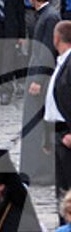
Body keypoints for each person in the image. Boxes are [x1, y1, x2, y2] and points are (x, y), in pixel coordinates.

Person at [20, 0, 61, 185]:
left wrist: (38, 79)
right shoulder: (46, 15)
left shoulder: (50, 16)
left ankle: (39, 171)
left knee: (38, 124)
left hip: (41, 78)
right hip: (37, 72)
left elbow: (46, 50)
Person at [46, 21, 71, 209]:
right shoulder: (63, 61)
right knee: (62, 190)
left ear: (56, 38)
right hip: (58, 133)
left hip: (67, 134)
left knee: (67, 192)